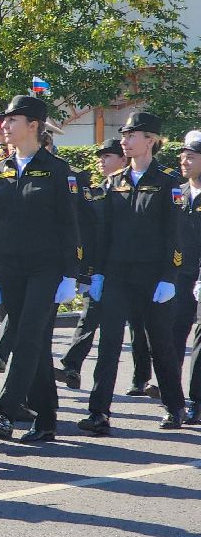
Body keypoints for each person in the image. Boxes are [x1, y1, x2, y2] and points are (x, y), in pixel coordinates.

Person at [0, 94, 83, 443]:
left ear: (34, 126)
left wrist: (71, 274)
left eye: (12, 120)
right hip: (8, 268)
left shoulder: (58, 171)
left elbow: (71, 225)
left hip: (46, 269)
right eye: (4, 120)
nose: (4, 126)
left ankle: (4, 413)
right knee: (36, 344)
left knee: (26, 338)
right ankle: (47, 420)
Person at [81, 110, 188, 433]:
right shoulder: (115, 182)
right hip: (116, 275)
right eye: (124, 135)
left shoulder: (169, 182)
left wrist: (170, 276)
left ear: (151, 140)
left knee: (160, 345)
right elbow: (104, 233)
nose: (125, 141)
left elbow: (176, 234)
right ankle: (99, 412)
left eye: (132, 136)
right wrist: (96, 273)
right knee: (109, 345)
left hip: (153, 277)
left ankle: (174, 406)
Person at [54, 138, 152, 392]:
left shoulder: (136, 187)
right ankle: (71, 366)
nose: (102, 161)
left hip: (130, 267)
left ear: (123, 159)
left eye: (108, 156)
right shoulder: (96, 190)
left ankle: (141, 377)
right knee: (89, 318)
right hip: (99, 269)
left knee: (138, 326)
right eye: (100, 156)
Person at [175, 132, 201, 425]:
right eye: (183, 155)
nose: (184, 160)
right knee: (172, 333)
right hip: (180, 275)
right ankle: (174, 397)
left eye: (191, 156)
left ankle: (197, 400)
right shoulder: (177, 192)